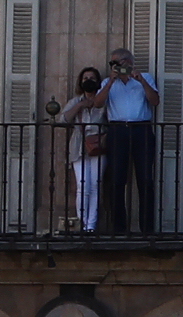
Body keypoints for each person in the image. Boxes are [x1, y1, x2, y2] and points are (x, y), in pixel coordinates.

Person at [98, 50, 158, 234]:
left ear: (129, 62)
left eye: (118, 62)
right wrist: (110, 81)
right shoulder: (108, 83)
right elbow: (98, 103)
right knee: (117, 180)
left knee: (145, 180)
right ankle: (119, 229)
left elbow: (155, 101)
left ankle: (147, 229)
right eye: (112, 63)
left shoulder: (145, 78)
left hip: (142, 129)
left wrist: (141, 81)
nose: (115, 66)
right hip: (117, 130)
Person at [59, 65, 108, 235]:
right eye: (85, 78)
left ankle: (91, 225)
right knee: (82, 185)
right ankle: (82, 222)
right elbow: (63, 120)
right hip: (79, 146)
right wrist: (80, 106)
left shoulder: (103, 101)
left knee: (95, 185)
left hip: (98, 145)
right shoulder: (75, 101)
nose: (89, 81)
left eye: (92, 79)